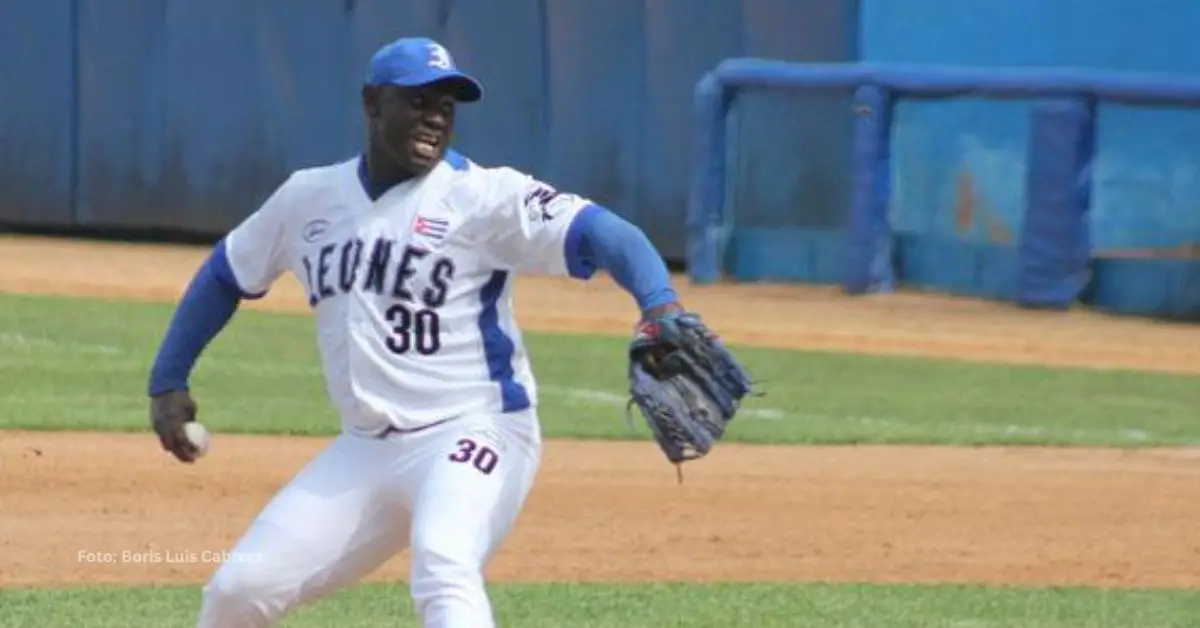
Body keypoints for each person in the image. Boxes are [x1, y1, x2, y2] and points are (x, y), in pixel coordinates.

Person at [146, 36, 685, 627]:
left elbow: (606, 233)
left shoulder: (482, 197)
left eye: (448, 106)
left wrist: (658, 304)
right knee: (237, 591)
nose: (436, 116)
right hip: (365, 448)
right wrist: (168, 378)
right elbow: (226, 273)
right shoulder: (307, 199)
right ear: (373, 103)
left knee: (444, 561)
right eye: (419, 101)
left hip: (477, 430)